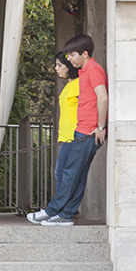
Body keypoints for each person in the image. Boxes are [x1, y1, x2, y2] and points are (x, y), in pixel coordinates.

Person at [29, 35, 108, 227]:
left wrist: (100, 127)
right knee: (77, 174)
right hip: (82, 130)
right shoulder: (85, 71)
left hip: (88, 131)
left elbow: (103, 98)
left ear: (85, 53)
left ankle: (52, 210)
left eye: (72, 55)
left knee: (71, 173)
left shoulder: (94, 70)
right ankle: (66, 214)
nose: (69, 59)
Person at [28, 55, 80, 223]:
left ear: (69, 65)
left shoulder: (79, 84)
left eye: (59, 65)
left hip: (75, 136)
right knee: (63, 174)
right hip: (66, 137)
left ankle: (61, 211)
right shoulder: (69, 85)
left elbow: (87, 107)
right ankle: (65, 210)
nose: (56, 69)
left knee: (65, 174)